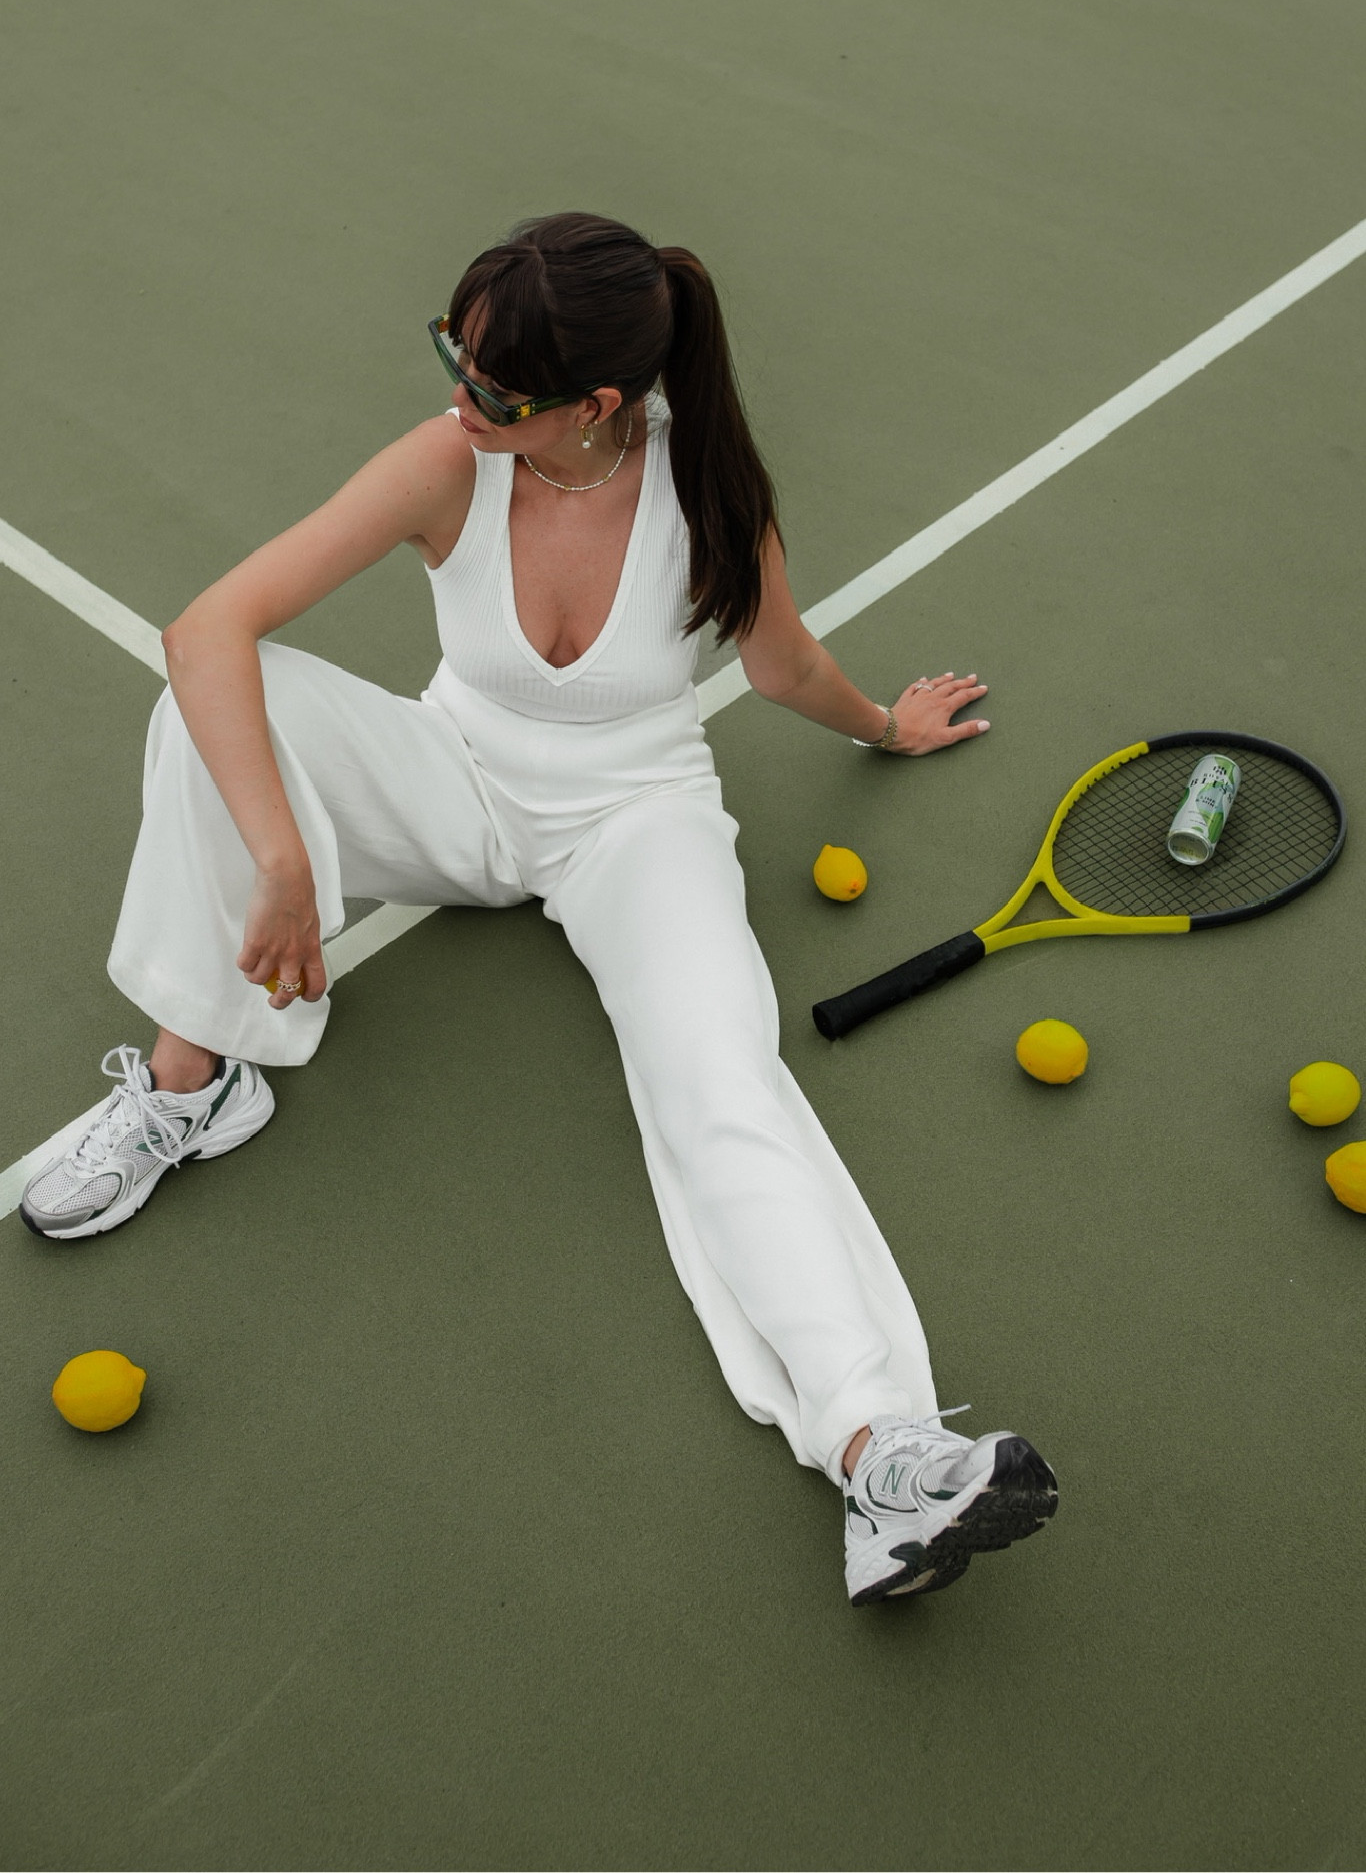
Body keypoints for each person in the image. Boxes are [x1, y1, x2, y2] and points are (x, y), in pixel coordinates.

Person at [22, 212, 1057, 1605]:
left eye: (497, 388)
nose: (463, 395)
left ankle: (882, 1453)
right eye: (455, 354)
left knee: (720, 1085)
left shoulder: (706, 488)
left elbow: (779, 664)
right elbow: (208, 630)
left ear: (599, 405)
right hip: (451, 780)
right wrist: (283, 861)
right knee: (206, 712)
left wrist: (883, 726)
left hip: (637, 823)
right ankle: (193, 1081)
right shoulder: (449, 460)